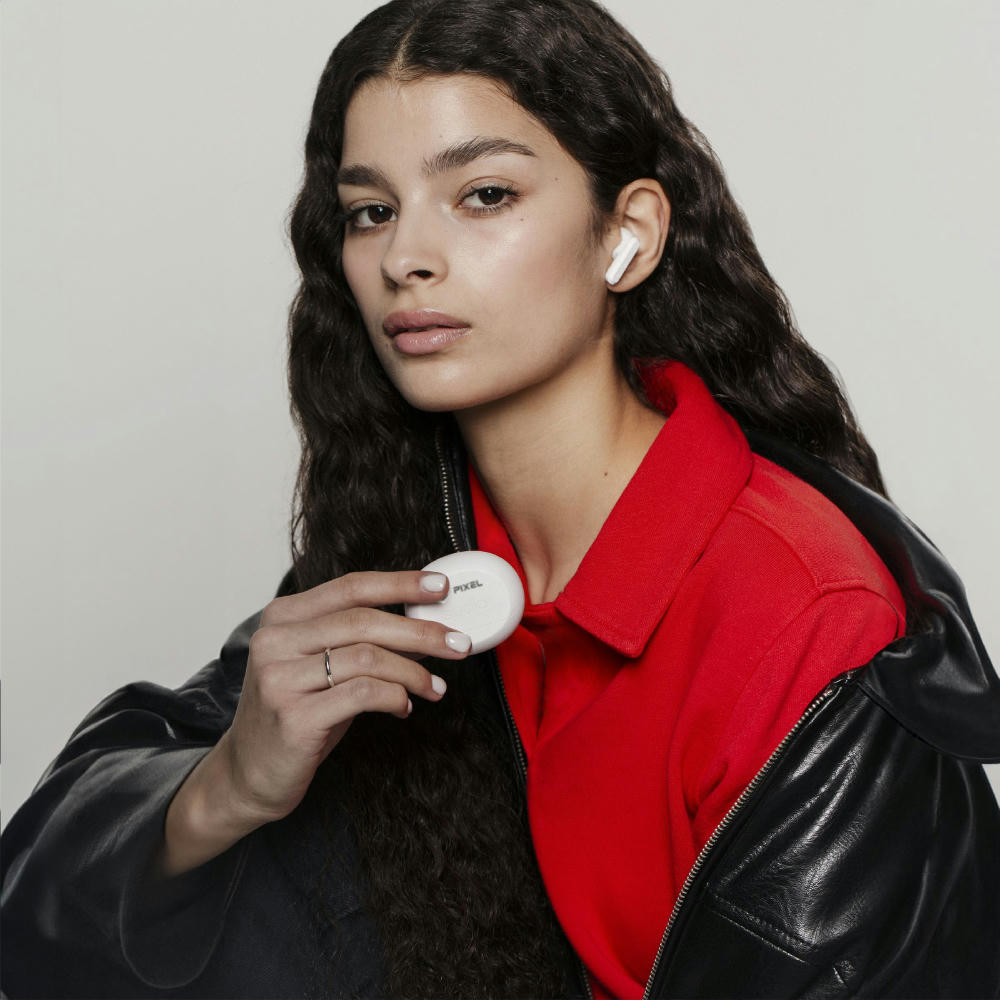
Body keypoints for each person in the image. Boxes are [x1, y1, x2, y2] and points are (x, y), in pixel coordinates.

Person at [3, 0, 999, 996]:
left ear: (626, 234)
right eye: (371, 210)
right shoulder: (412, 543)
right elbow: (33, 913)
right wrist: (228, 785)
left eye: (483, 195)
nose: (405, 258)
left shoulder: (805, 617)